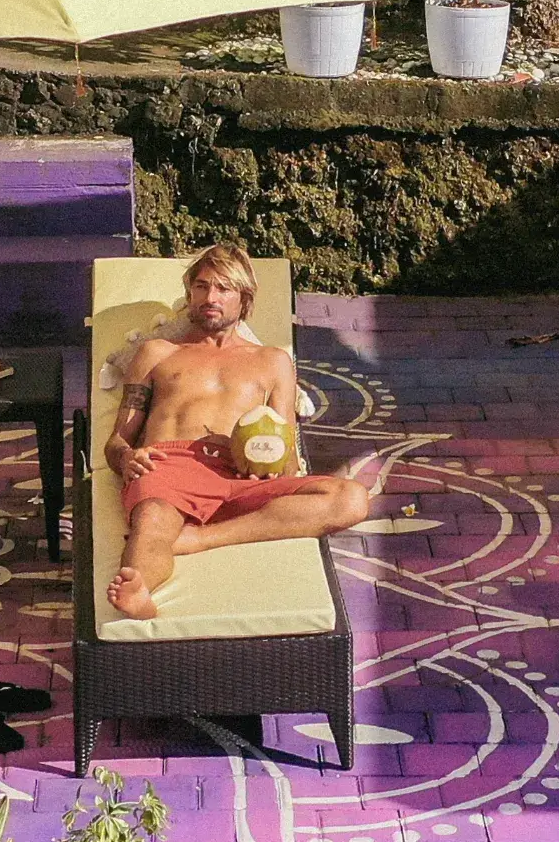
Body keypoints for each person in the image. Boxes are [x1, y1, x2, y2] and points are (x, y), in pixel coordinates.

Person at [105, 245, 387, 620]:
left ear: (245, 299)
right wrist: (127, 457)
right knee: (152, 521)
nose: (210, 298)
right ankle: (138, 586)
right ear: (189, 293)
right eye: (202, 287)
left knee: (352, 498)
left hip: (240, 472)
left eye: (224, 289)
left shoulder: (272, 362)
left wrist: (272, 470)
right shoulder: (157, 352)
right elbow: (116, 442)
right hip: (170, 466)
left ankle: (198, 539)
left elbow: (286, 449)